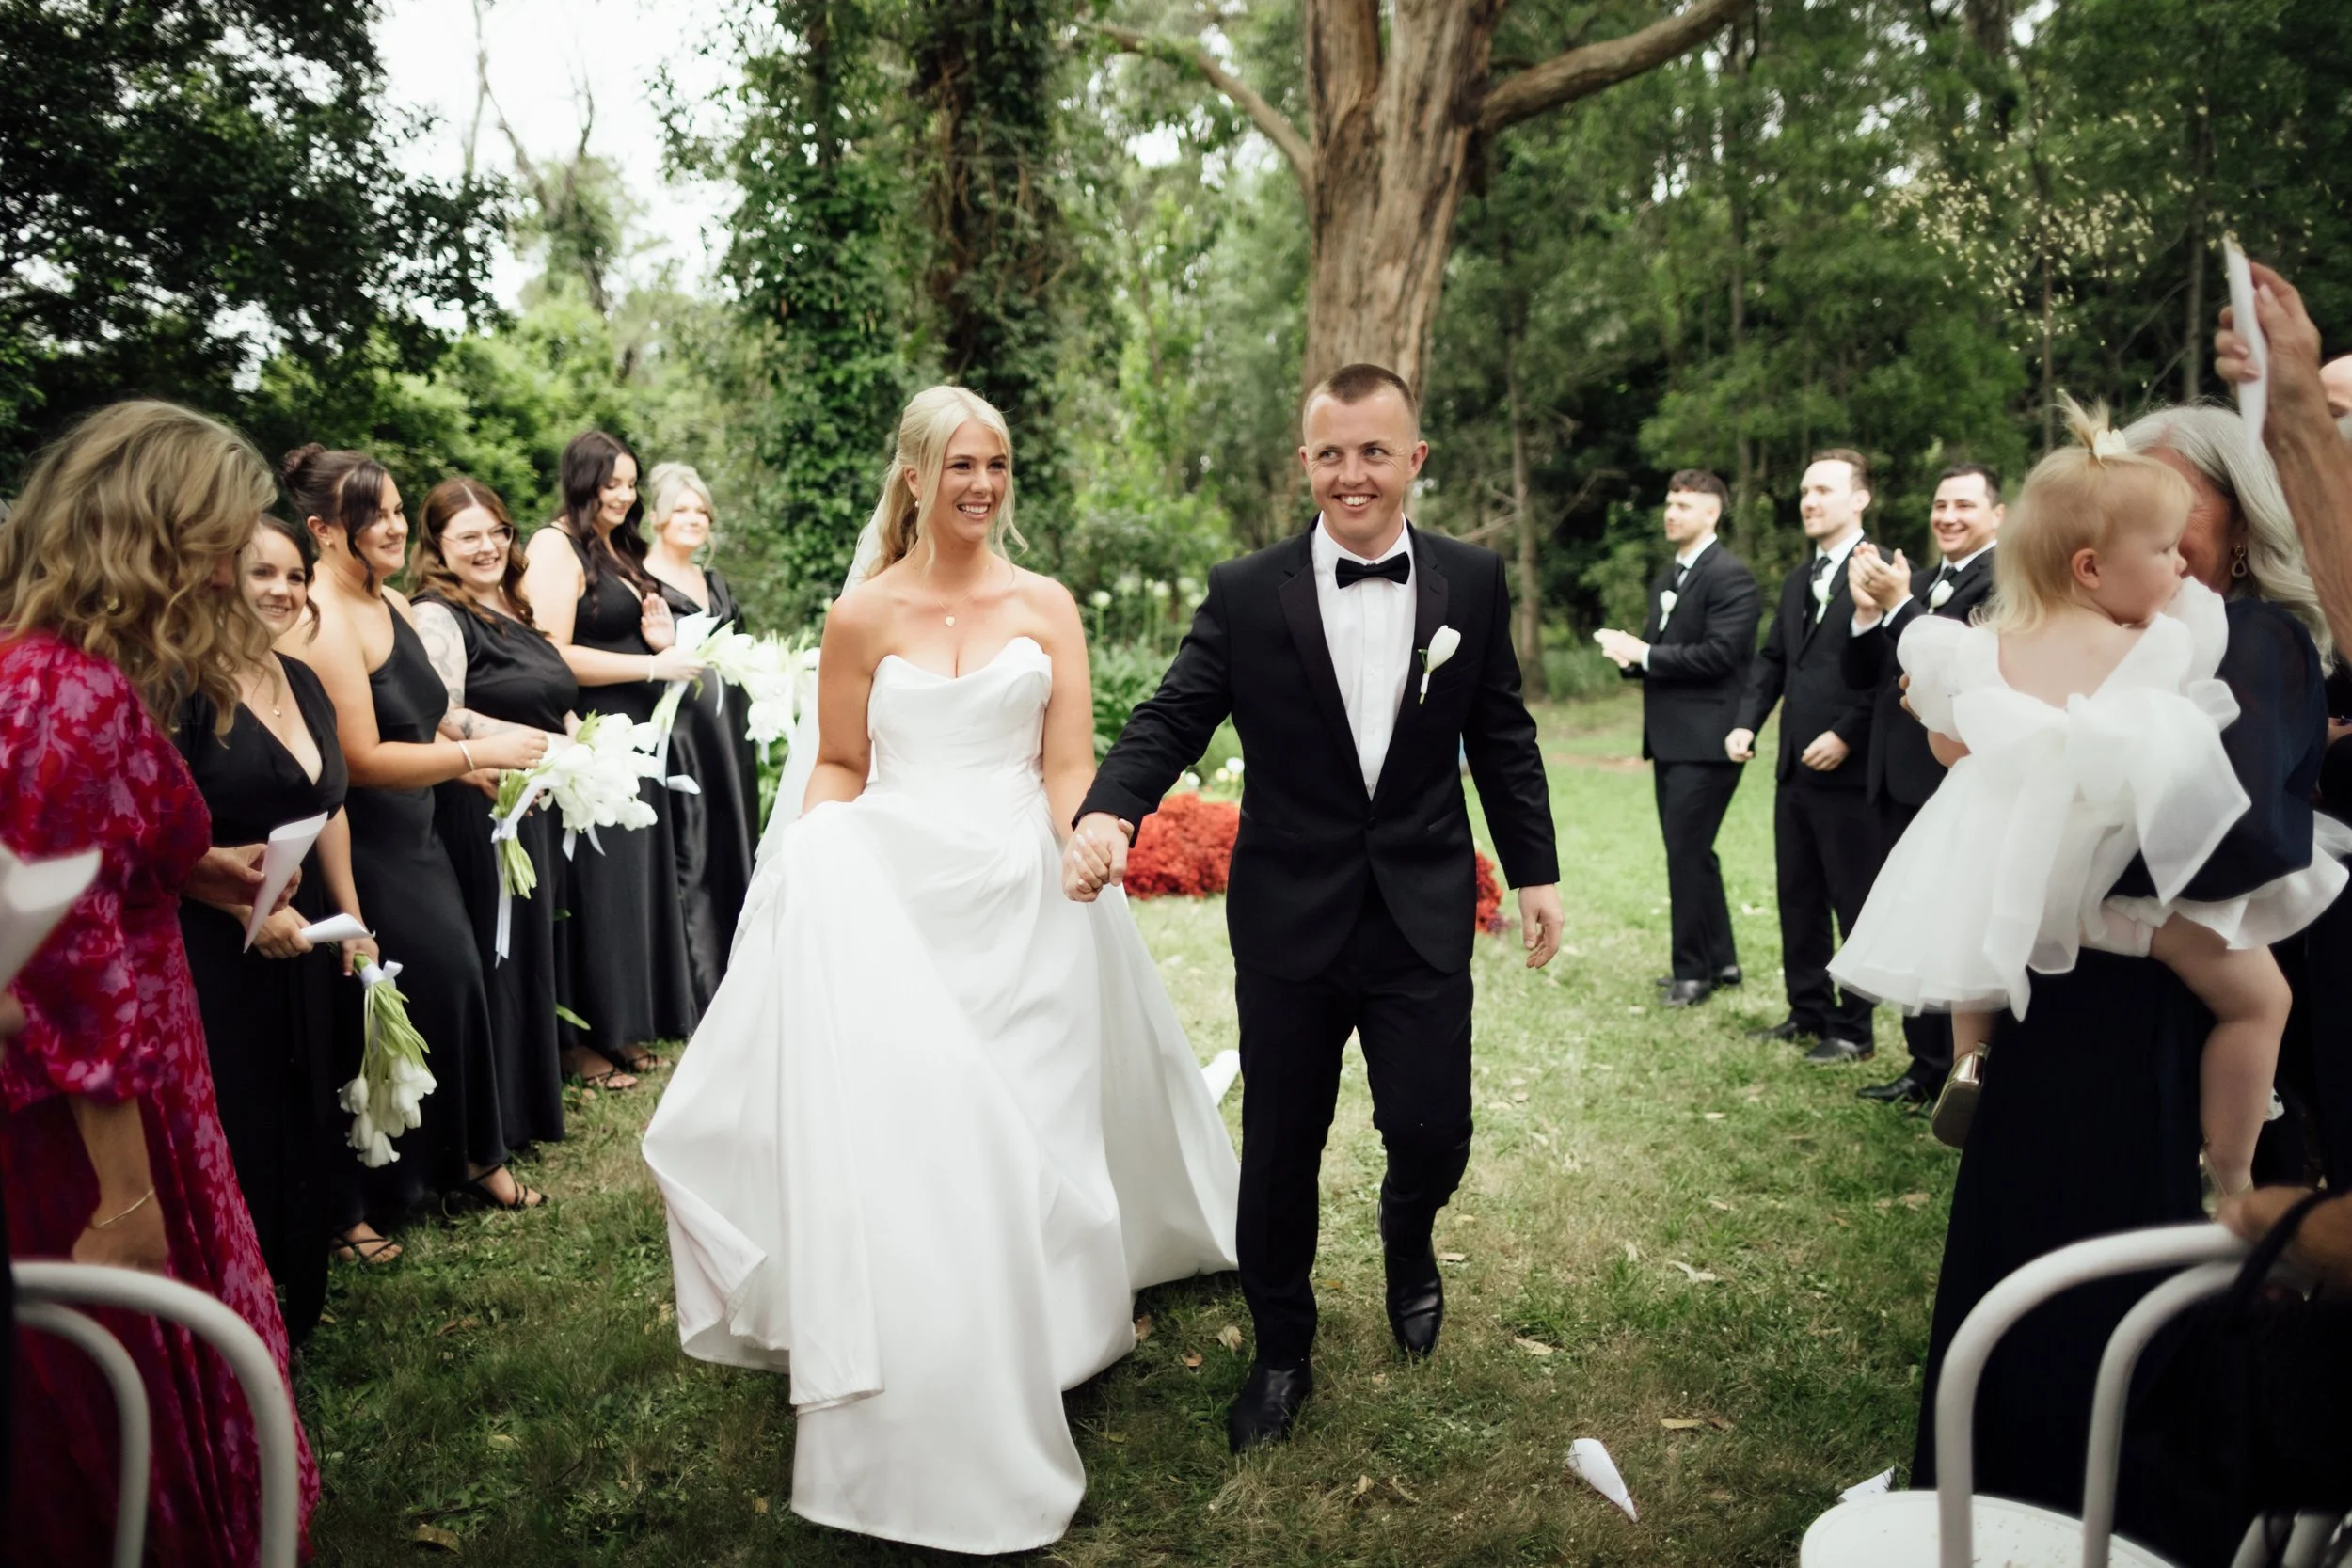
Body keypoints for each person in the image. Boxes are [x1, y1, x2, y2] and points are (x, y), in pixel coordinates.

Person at [642, 385, 1239, 1554]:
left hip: (1028, 888)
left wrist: (1086, 837)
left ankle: (1054, 1331)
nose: (982, 483)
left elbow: (1065, 763)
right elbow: (840, 763)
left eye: (997, 463)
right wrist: (817, 854)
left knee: (1039, 1118)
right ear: (914, 474)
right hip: (898, 897)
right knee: (920, 1134)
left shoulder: (1045, 604)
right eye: (961, 463)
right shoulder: (861, 613)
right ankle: (938, 1336)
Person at [1073, 363, 1564, 1452]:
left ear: (1413, 460)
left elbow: (1502, 733)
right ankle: (1281, 1349)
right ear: (1305, 461)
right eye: (1331, 453)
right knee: (1281, 1148)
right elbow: (1173, 714)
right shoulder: (1248, 591)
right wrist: (1111, 808)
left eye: (1373, 451)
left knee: (1432, 1128)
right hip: (1289, 914)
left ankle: (1407, 1228)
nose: (1352, 473)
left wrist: (1535, 869)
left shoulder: (1471, 581)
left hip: (1419, 906)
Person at [1908, 395, 2338, 1516]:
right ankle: (2005, 1491)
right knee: (2031, 1260)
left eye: (2172, 501)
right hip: (2082, 1002)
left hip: (2133, 1019)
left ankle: (2070, 1500)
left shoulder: (2251, 636)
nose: (2153, 527)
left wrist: (2044, 837)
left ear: (2238, 521)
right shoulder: (2135, 636)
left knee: (2108, 1280)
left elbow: (2246, 831)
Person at [1830, 401, 2344, 1197]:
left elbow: (1949, 742)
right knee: (2258, 1000)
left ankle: (1970, 1059)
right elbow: (2198, 787)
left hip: (2005, 880)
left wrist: (1990, 740)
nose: (2171, 558)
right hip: (2124, 908)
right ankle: (2233, 1165)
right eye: (2153, 537)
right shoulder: (2163, 644)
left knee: (1983, 951)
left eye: (2176, 523)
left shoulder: (1988, 642)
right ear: (2091, 564)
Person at [0, 399, 320, 1564]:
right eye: (221, 546)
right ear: (154, 539)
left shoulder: (66, 671)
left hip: (147, 1074)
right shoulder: (63, 692)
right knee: (127, 1374)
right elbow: (61, 956)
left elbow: (92, 854)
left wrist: (198, 868)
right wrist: (128, 1201)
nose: (233, 574)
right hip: (104, 1117)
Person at [293, 444, 548, 1215]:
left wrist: (471, 765)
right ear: (324, 529)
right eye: (374, 515)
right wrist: (475, 753)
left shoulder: (395, 604)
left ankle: (471, 1156)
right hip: (365, 844)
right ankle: (392, 1185)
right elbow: (361, 759)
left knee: (457, 983)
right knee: (414, 990)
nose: (396, 526)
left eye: (400, 510)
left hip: (421, 830)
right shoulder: (324, 619)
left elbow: (423, 718)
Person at [177, 515, 387, 1324]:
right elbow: (151, 828)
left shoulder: (301, 679)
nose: (284, 589)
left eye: (296, 575)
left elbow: (328, 804)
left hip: (303, 929)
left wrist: (352, 914)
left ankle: (295, 1292)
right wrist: (237, 903)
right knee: (242, 1115)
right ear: (220, 575)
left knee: (304, 1104)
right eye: (262, 571)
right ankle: (239, 1306)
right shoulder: (183, 685)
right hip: (212, 939)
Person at [520, 432, 703, 1087]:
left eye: (630, 484)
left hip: (635, 739)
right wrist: (650, 665)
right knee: (594, 888)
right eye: (611, 484)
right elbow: (550, 653)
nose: (624, 496)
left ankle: (621, 1025)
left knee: (627, 886)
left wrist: (660, 640)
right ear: (582, 481)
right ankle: (577, 1044)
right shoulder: (554, 546)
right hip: (589, 737)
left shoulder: (616, 548)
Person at [411, 477, 579, 1152]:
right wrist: (537, 743)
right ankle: (494, 1122)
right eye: (468, 536)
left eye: (497, 532)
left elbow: (551, 696)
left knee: (529, 955)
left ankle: (527, 1110)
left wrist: (581, 740)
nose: (487, 546)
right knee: (498, 952)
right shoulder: (436, 615)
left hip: (532, 797)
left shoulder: (514, 605)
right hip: (481, 800)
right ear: (437, 546)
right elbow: (439, 711)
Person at [1841, 464, 2003, 1109]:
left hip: (1953, 775)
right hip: (1894, 772)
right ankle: (1924, 1063)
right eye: (1940, 504)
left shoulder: (2004, 580)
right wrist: (1866, 615)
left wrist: (1901, 606)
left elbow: (1962, 666)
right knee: (1914, 914)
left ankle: (1955, 1066)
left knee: (1952, 919)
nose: (1947, 516)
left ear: (1998, 514)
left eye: (1964, 504)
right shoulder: (1926, 579)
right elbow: (1864, 676)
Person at [1725, 450, 1881, 1064]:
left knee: (1853, 899)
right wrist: (1747, 721)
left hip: (1852, 769)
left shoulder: (1883, 573)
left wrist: (1846, 734)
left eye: (1823, 490)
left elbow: (1893, 669)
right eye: (1805, 492)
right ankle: (1807, 1009)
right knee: (1799, 893)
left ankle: (1854, 1028)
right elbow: (1772, 662)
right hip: (1793, 765)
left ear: (1860, 499)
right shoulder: (1797, 580)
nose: (1809, 502)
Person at [1593, 469, 1760, 1007]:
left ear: (1713, 513)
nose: (1671, 513)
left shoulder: (1731, 576)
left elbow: (1720, 656)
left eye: (1684, 505)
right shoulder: (1669, 577)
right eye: (1669, 503)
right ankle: (1723, 960)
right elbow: (1663, 652)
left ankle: (1692, 974)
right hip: (1670, 739)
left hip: (1711, 740)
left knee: (1686, 853)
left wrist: (1645, 654)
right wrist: (1630, 656)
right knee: (1693, 851)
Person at [640, 462, 759, 1009]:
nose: (693, 519)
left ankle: (744, 967)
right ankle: (698, 983)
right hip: (681, 737)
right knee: (694, 846)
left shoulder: (715, 583)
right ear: (658, 518)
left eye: (701, 511)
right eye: (681, 509)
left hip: (728, 735)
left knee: (734, 838)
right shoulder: (642, 581)